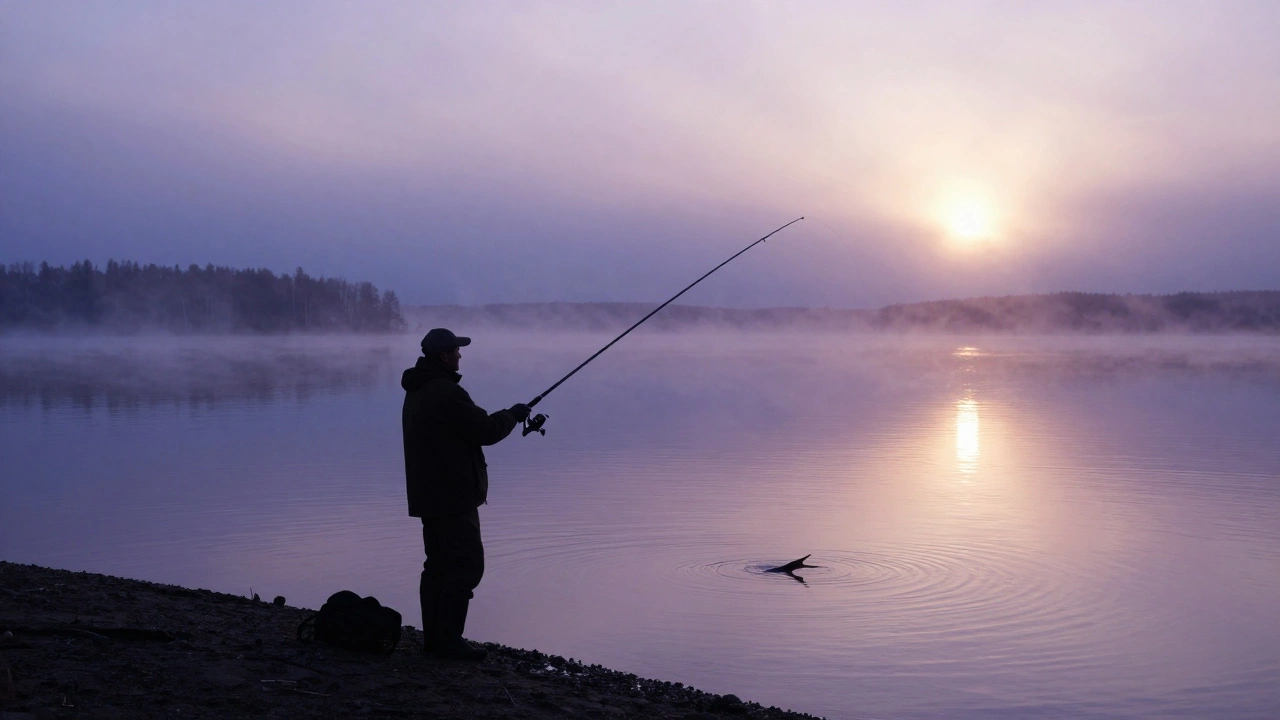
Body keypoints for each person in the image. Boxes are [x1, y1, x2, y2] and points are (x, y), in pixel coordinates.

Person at [401, 328, 530, 660]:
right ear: (443, 356)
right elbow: (484, 430)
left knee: (438, 566)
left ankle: (436, 640)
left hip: (430, 494)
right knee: (466, 566)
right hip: (451, 495)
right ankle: (447, 642)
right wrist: (512, 416)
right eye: (456, 351)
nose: (460, 356)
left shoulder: (419, 389)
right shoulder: (444, 392)